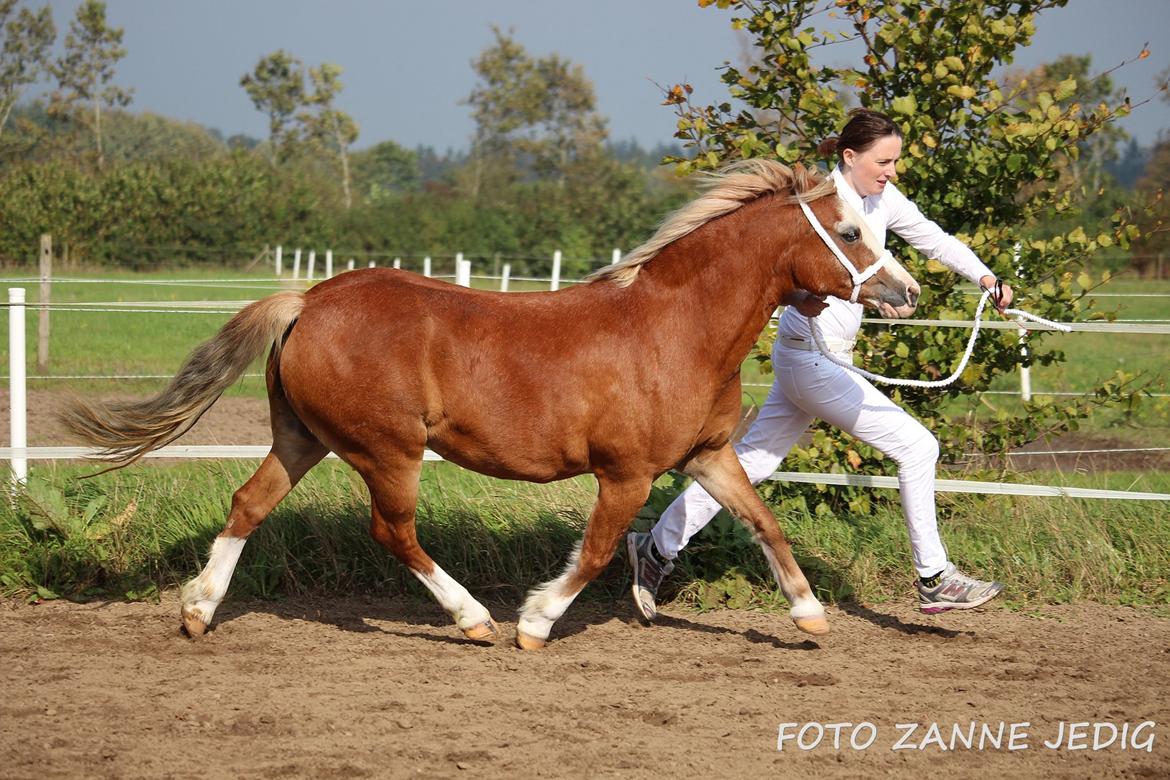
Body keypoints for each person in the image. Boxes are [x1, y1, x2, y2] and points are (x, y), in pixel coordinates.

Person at [627, 108, 1013, 621]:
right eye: (884, 161)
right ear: (849, 158)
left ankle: (654, 549)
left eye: (896, 161)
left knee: (753, 462)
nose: (892, 171)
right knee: (919, 447)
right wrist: (796, 298)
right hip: (811, 358)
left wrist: (987, 279)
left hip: (829, 359)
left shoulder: (881, 200)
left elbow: (932, 238)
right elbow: (769, 269)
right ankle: (934, 578)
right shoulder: (817, 206)